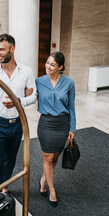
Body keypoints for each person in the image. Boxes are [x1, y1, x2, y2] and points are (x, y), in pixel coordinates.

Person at [0, 33, 37, 194]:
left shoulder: (26, 71)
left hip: (17, 124)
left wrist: (19, 101)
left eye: (2, 49)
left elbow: (33, 96)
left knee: (10, 161)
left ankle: (4, 187)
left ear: (13, 49)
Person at [36, 52, 76, 207]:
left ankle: (44, 179)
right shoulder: (39, 81)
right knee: (47, 157)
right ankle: (51, 190)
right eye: (47, 63)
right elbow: (30, 96)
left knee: (55, 158)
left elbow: (71, 107)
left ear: (60, 67)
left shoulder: (69, 83)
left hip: (62, 124)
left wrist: (72, 127)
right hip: (46, 123)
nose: (48, 66)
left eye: (52, 64)